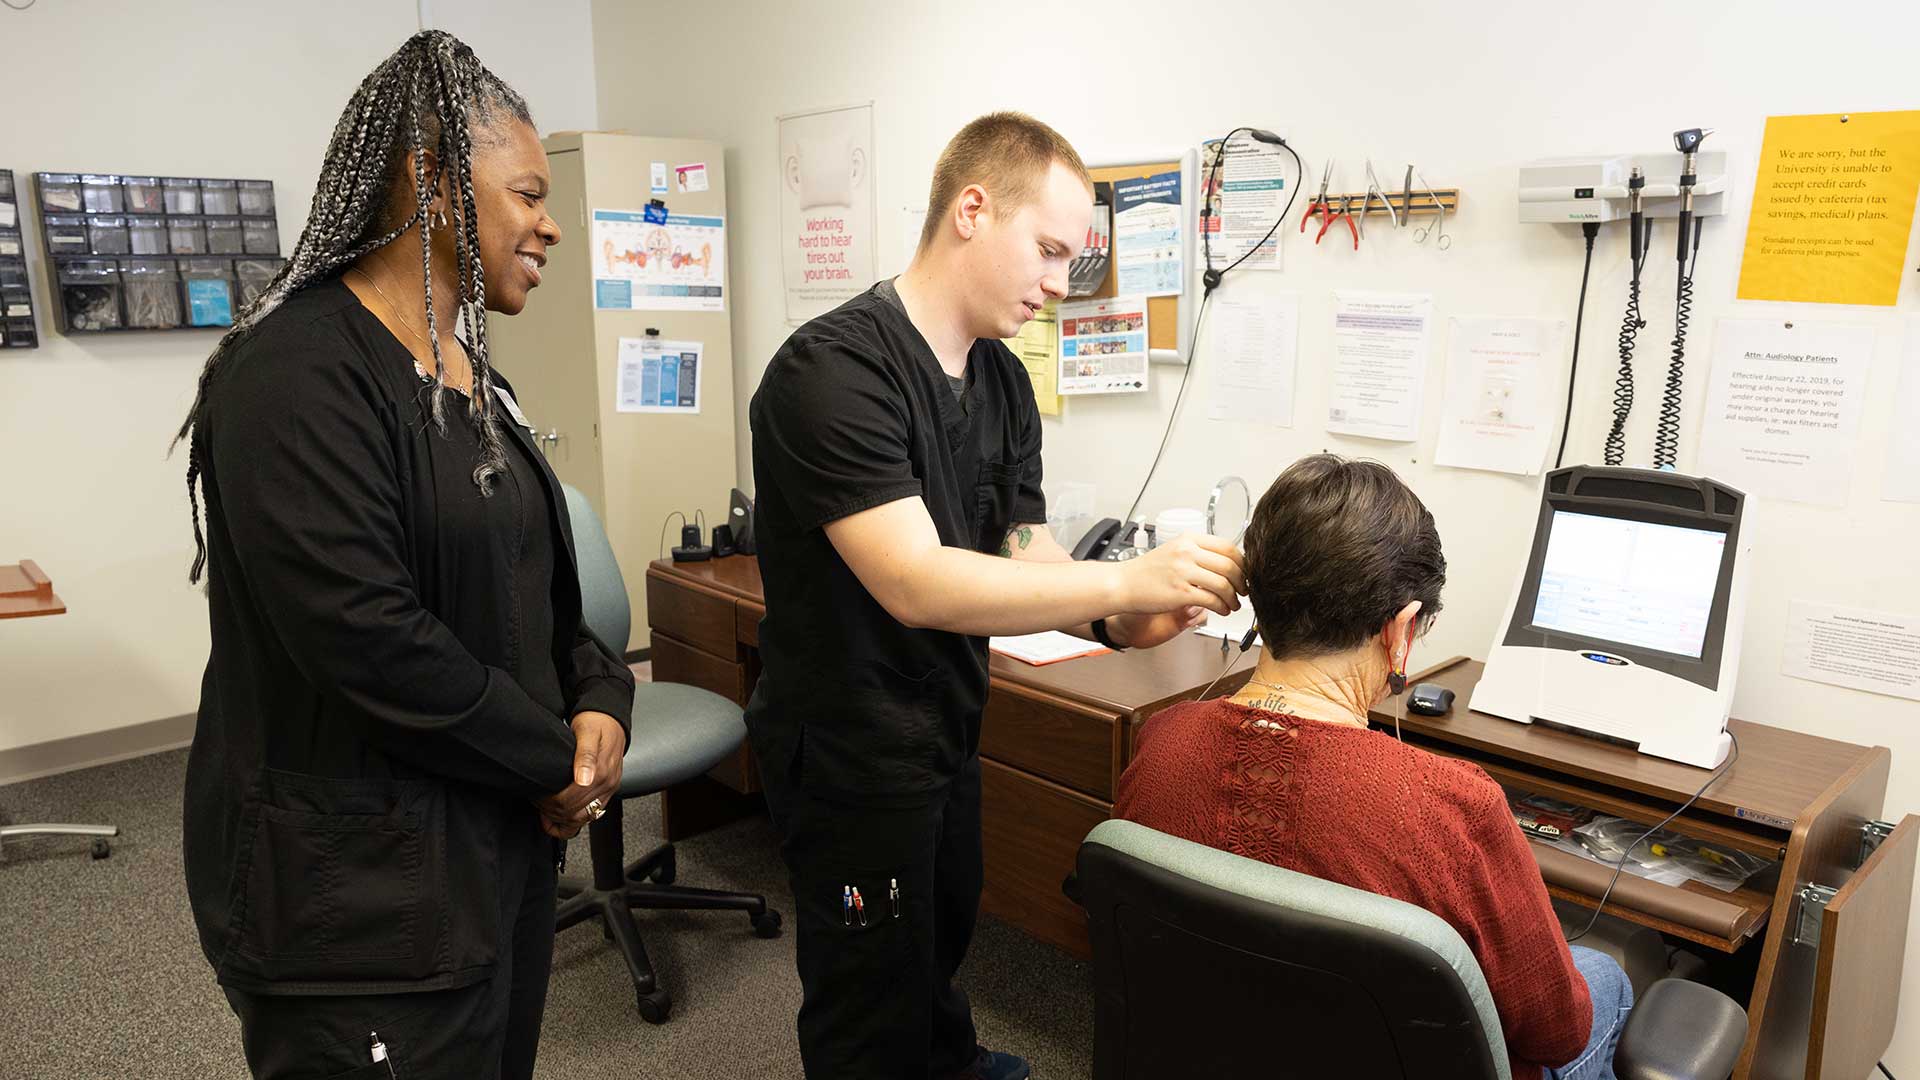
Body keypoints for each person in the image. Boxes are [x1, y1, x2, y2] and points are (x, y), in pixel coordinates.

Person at [746, 111, 1248, 1080]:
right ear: (973, 211)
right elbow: (915, 578)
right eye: (1051, 251)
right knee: (867, 1003)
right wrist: (1120, 578)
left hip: (946, 730)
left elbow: (1024, 549)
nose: (1062, 285)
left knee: (936, 952)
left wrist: (1118, 615)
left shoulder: (1004, 385)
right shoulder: (833, 371)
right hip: (850, 751)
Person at [174, 31, 633, 1080]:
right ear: (433, 182)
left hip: (489, 854)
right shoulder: (293, 377)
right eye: (527, 194)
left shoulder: (472, 371)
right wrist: (552, 758)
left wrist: (603, 695)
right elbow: (368, 641)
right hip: (357, 906)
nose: (552, 224)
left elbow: (544, 584)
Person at [1115, 454, 1634, 1080]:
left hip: (1210, 1057)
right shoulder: (1454, 805)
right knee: (1606, 976)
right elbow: (1556, 1031)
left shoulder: (1162, 741)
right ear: (1401, 631)